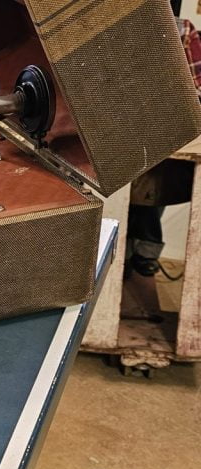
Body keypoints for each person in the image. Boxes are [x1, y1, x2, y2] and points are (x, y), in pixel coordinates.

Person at [126, 17, 201, 277]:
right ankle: (139, 251)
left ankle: (144, 250)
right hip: (123, 131)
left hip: (163, 134)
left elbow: (197, 88)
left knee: (155, 179)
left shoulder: (182, 30)